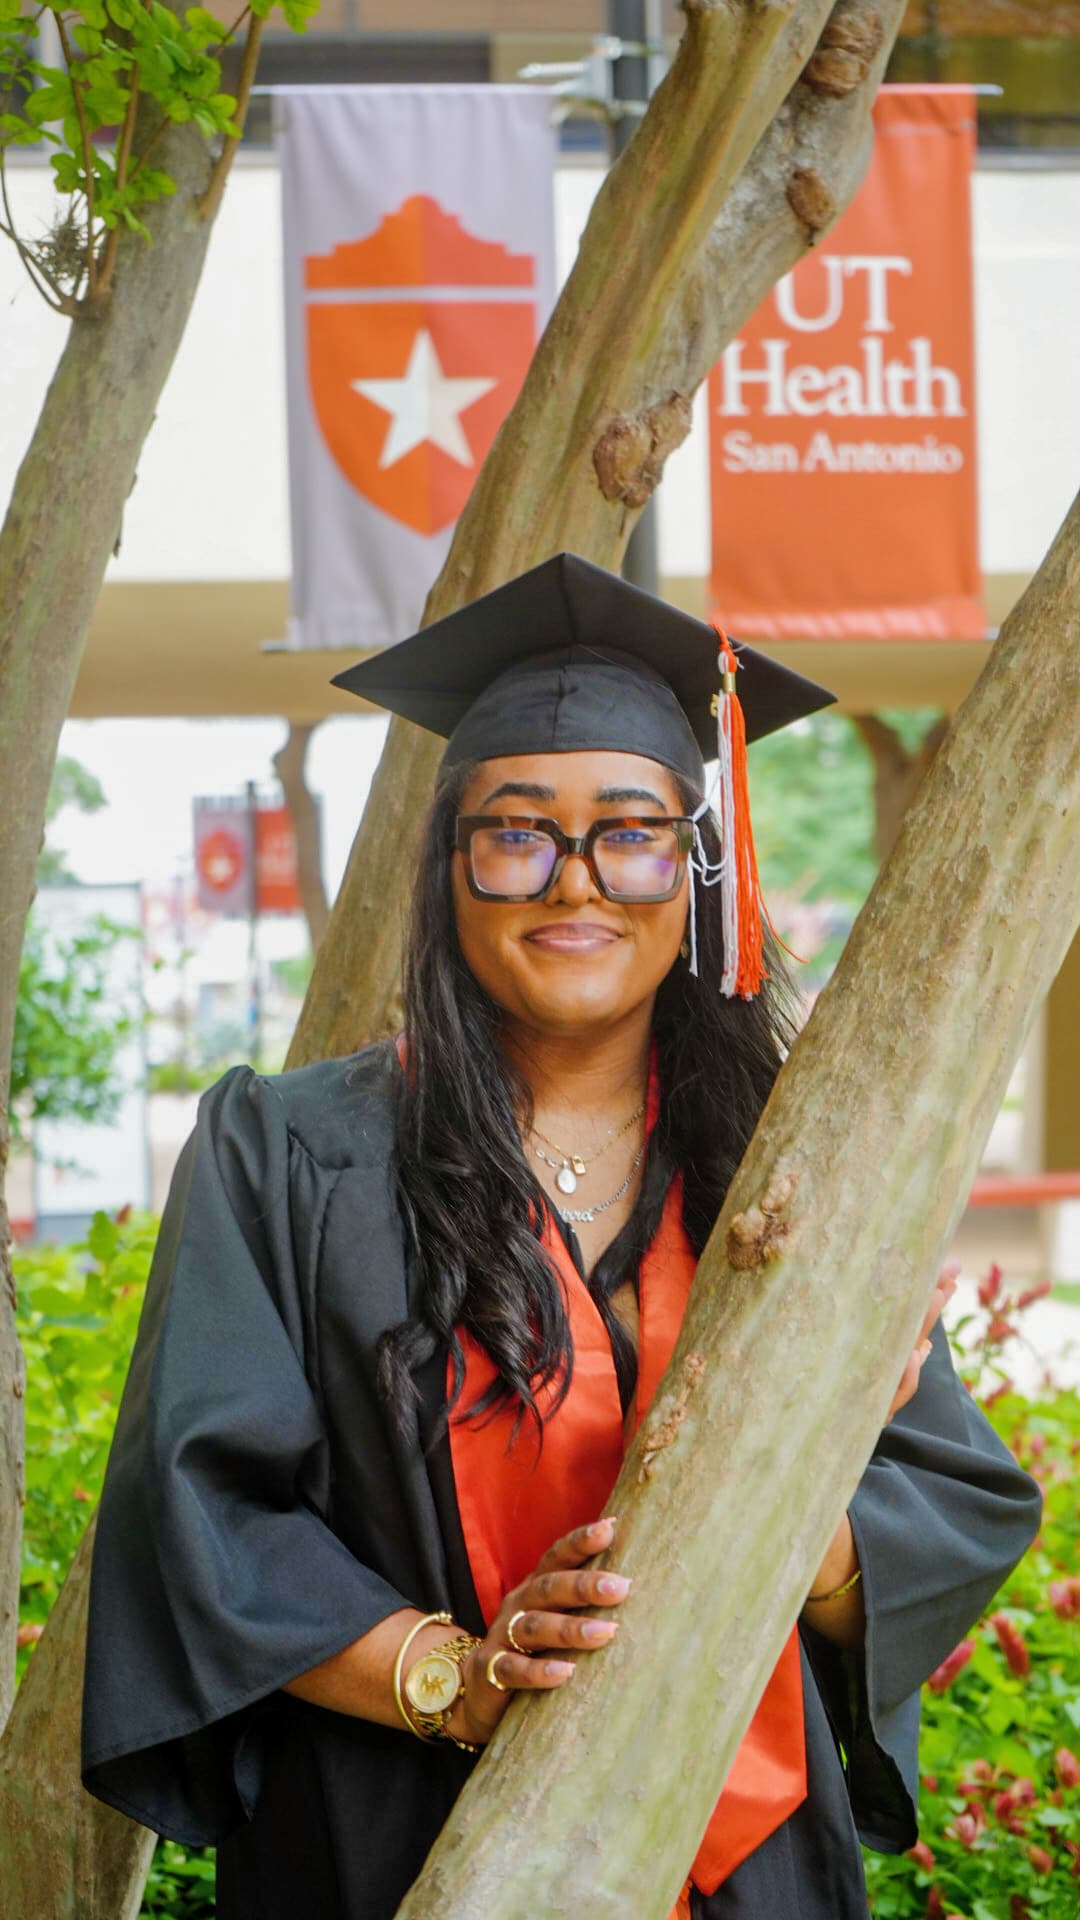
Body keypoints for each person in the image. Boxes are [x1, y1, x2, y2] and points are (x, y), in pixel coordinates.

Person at [82, 554, 1041, 1919]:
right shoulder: (287, 1154)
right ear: (449, 869)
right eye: (516, 831)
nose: (575, 881)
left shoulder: (793, 1170)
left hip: (738, 1848)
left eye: (634, 831)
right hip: (388, 1834)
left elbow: (943, 1504)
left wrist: (798, 1492)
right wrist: (462, 1680)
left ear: (698, 867)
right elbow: (207, 1511)